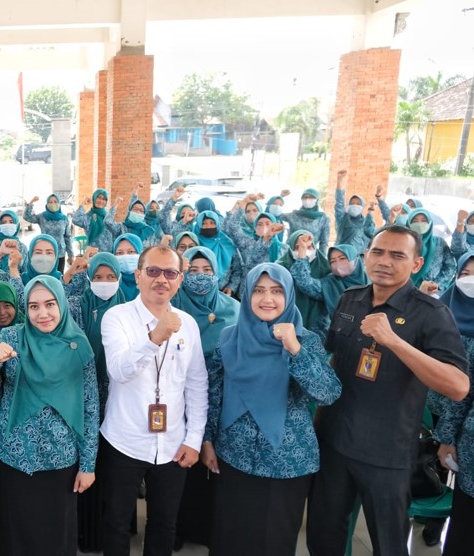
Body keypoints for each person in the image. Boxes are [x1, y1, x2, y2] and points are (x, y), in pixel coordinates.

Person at [307, 225, 470, 556]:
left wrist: (395, 342)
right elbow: (332, 361)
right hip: (335, 441)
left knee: (388, 543)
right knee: (324, 535)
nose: (384, 261)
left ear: (416, 263)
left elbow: (458, 386)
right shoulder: (349, 299)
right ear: (366, 256)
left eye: (397, 255)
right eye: (378, 252)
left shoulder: (431, 313)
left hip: (387, 453)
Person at [202, 263, 341, 555]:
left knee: (273, 541)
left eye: (277, 291)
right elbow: (214, 393)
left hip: (286, 463)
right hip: (234, 456)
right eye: (259, 290)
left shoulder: (306, 340)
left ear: (289, 295)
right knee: (230, 536)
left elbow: (328, 393)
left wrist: (295, 350)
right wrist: (207, 441)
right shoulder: (229, 337)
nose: (267, 299)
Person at [0, 275, 99, 556]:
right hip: (14, 455)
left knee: (56, 535)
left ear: (61, 304)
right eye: (34, 306)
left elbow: (90, 407)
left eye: (50, 304)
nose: (43, 313)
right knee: (16, 534)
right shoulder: (11, 337)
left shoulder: (78, 345)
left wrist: (88, 465)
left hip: (60, 457)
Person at [98, 245, 208, 556]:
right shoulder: (116, 317)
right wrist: (154, 338)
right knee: (116, 522)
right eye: (153, 271)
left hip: (173, 443)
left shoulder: (188, 323)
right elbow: (119, 371)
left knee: (164, 523)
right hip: (124, 440)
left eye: (170, 273)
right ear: (138, 275)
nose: (161, 279)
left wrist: (194, 439)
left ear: (180, 279)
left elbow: (197, 384)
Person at [170, 247, 240, 549]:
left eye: (206, 270)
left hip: (222, 396)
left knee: (213, 465)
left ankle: (209, 529)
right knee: (181, 467)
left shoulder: (233, 308)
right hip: (177, 395)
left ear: (217, 272)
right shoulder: (172, 308)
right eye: (193, 271)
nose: (200, 276)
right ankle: (179, 527)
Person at [67, 252, 124, 553]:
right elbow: (52, 311)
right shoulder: (78, 305)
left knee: (113, 469)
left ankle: (108, 533)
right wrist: (69, 276)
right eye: (98, 277)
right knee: (85, 463)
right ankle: (84, 534)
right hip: (81, 395)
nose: (104, 283)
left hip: (119, 397)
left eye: (110, 277)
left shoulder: (129, 309)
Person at [431, 252, 474, 555]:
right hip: (435, 408)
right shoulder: (439, 310)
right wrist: (447, 436)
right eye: (466, 272)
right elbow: (464, 394)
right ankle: (431, 518)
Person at [290, 244, 369, 317]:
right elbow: (306, 283)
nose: (338, 263)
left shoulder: (373, 281)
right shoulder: (330, 283)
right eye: (332, 261)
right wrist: (302, 258)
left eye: (342, 258)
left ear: (355, 259)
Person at [276, 231, 331, 335]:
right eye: (298, 247)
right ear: (290, 249)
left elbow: (309, 286)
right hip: (287, 321)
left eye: (309, 247)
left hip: (317, 325)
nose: (304, 250)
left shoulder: (326, 268)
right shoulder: (280, 267)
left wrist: (302, 258)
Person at [406, 208, 457, 294]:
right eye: (415, 221)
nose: (419, 224)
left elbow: (450, 266)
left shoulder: (439, 242)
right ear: (408, 224)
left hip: (432, 293)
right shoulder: (403, 243)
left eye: (424, 220)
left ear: (430, 223)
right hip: (405, 291)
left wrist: (437, 284)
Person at [192, 211, 241, 296]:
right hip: (195, 292)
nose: (208, 226)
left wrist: (231, 287)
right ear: (198, 225)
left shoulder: (226, 242)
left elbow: (237, 269)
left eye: (212, 223)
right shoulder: (193, 243)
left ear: (217, 224)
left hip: (223, 293)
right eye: (204, 223)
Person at [24, 194, 74, 272]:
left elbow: (67, 237)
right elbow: (27, 217)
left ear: (59, 203)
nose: (53, 204)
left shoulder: (64, 218)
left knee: (59, 277)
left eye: (55, 202)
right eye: (50, 202)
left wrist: (71, 255)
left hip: (60, 253)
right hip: (45, 253)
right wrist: (31, 202)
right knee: (45, 275)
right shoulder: (42, 216)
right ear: (47, 204)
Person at [333, 170, 377, 256]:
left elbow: (371, 233)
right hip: (341, 256)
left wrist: (370, 211)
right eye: (352, 203)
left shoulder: (365, 222)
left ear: (362, 207)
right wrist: (340, 182)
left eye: (358, 204)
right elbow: (339, 204)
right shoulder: (343, 219)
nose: (354, 205)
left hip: (359, 259)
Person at [72, 189, 122, 253]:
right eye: (99, 198)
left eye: (104, 199)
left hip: (109, 253)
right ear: (94, 198)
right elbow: (76, 219)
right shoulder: (89, 217)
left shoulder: (108, 216)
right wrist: (83, 203)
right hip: (93, 254)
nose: (101, 201)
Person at [113, 233, 144, 301]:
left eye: (131, 252)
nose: (125, 256)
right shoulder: (110, 281)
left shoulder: (149, 280)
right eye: (119, 253)